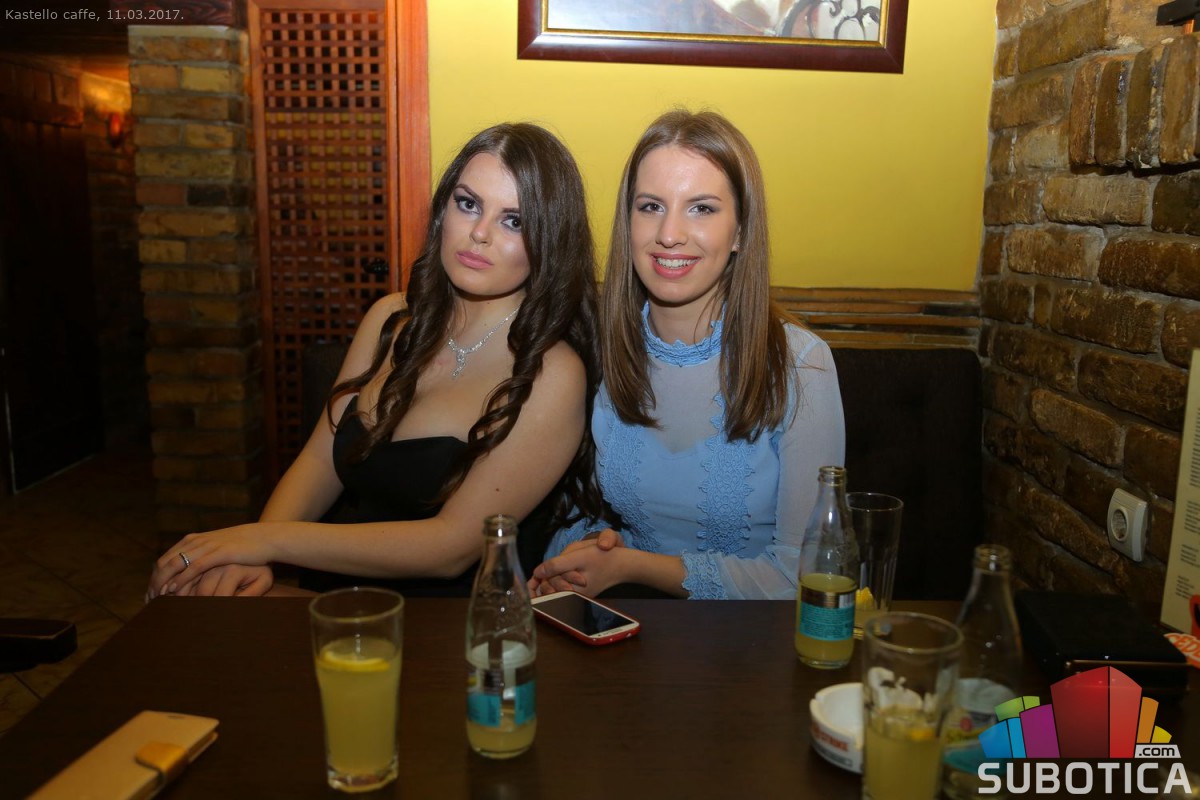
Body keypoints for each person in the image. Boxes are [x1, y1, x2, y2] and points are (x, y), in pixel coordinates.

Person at [147, 122, 601, 599]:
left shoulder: (552, 373)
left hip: (455, 623)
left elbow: (451, 548)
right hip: (336, 598)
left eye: (514, 221)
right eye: (468, 204)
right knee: (191, 597)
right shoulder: (390, 318)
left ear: (550, 238)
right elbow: (320, 461)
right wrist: (253, 557)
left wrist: (262, 540)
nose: (479, 233)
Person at [529, 109, 844, 601]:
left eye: (701, 208)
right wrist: (591, 548)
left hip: (754, 639)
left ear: (740, 232)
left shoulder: (803, 366)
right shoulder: (596, 351)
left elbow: (801, 576)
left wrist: (632, 567)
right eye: (651, 206)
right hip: (626, 626)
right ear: (627, 222)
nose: (670, 233)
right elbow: (577, 511)